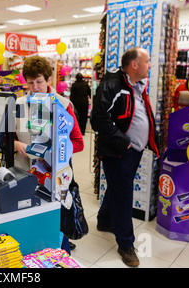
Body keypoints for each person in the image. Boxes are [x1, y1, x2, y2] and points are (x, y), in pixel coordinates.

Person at [90, 47, 159, 267]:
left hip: (133, 150)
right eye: (147, 61)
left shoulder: (137, 86)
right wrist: (124, 143)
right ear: (134, 64)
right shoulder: (112, 84)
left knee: (118, 186)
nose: (150, 65)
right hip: (118, 151)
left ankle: (104, 221)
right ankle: (126, 244)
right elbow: (98, 119)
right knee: (123, 194)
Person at [14, 56, 84, 253]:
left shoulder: (63, 104)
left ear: (48, 80)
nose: (35, 87)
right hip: (24, 175)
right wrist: (18, 145)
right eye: (30, 82)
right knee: (31, 230)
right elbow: (7, 140)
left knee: (55, 229)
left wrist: (53, 150)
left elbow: (78, 143)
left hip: (54, 179)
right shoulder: (19, 105)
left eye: (39, 82)